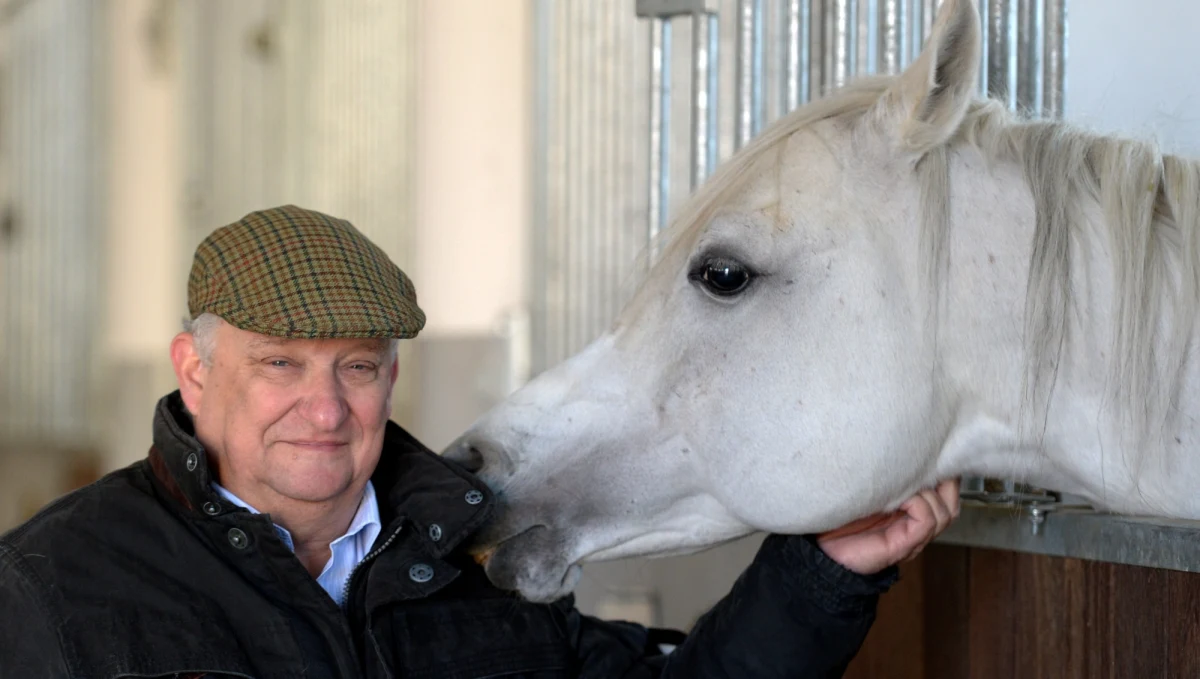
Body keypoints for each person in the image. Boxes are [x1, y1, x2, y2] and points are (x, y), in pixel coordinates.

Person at [0, 205, 960, 679]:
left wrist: (824, 569)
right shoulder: (54, 588)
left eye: (357, 367)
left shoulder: (466, 564)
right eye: (280, 365)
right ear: (194, 370)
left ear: (391, 378)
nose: (325, 408)